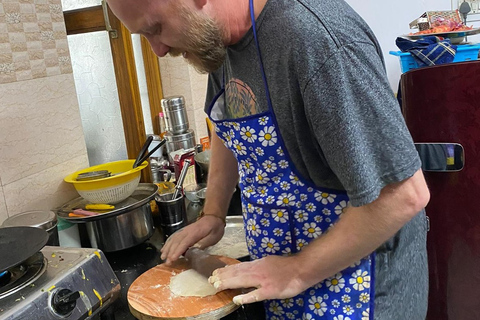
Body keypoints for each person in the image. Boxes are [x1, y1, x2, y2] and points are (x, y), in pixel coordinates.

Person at [106, 0, 431, 319]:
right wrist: (214, 212)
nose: (158, 51)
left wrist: (297, 271)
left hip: (361, 284)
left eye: (155, 29)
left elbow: (402, 196)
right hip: (289, 280)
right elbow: (228, 119)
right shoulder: (218, 41)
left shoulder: (316, 39)